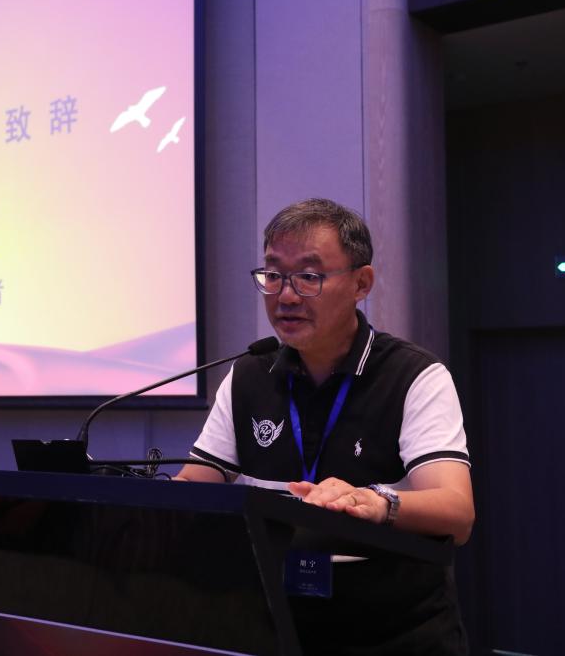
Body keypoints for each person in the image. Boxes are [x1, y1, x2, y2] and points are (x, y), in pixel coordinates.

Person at [177, 198, 474, 655]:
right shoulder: (250, 374)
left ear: (361, 283)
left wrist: (377, 502)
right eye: (273, 275)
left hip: (394, 632)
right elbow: (195, 488)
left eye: (309, 277)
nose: (286, 296)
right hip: (275, 624)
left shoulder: (414, 375)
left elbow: (457, 513)